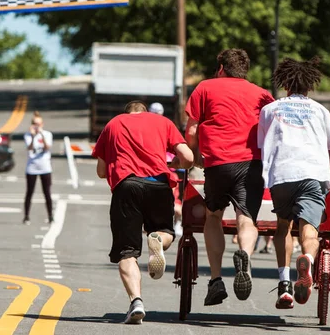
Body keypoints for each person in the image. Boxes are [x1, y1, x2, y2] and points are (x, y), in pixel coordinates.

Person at [185, 48, 274, 305]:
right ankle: (245, 254)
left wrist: (194, 154)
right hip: (250, 163)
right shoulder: (262, 95)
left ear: (221, 68)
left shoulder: (204, 88)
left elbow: (191, 130)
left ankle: (215, 279)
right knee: (246, 218)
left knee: (213, 215)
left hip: (218, 162)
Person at [92, 101, 193, 324]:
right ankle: (157, 238)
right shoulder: (163, 122)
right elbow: (188, 158)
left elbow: (100, 171)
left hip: (127, 186)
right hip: (159, 185)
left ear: (126, 113)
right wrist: (174, 163)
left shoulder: (114, 124)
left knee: (127, 252)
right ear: (145, 111)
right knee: (165, 231)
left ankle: (136, 302)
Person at [258, 57, 330, 309]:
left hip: (282, 174)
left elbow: (262, 145)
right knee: (310, 231)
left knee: (283, 226)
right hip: (312, 174)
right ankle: (306, 258)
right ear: (309, 87)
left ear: (286, 85)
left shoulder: (270, 109)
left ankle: (284, 285)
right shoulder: (321, 111)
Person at [149, 102, 184, 237]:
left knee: (175, 204)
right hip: (152, 170)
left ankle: (177, 221)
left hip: (169, 170)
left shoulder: (167, 127)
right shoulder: (148, 129)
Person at [23, 111, 54, 225]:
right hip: (32, 168)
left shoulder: (47, 134)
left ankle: (50, 216)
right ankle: (26, 216)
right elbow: (29, 148)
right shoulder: (28, 135)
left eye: (39, 124)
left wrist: (41, 134)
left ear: (42, 124)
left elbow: (47, 147)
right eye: (35, 124)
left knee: (47, 193)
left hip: (45, 167)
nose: (37, 126)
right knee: (29, 192)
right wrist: (33, 135)